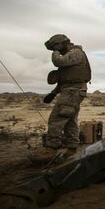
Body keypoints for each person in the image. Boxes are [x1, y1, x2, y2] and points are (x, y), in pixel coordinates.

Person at [29, 34, 91, 164]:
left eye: (55, 47)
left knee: (56, 118)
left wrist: (56, 51)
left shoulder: (76, 53)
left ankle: (51, 149)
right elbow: (65, 80)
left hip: (73, 92)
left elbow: (59, 61)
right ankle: (72, 149)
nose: (54, 51)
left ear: (62, 43)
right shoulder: (71, 56)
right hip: (70, 90)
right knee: (69, 120)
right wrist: (53, 93)